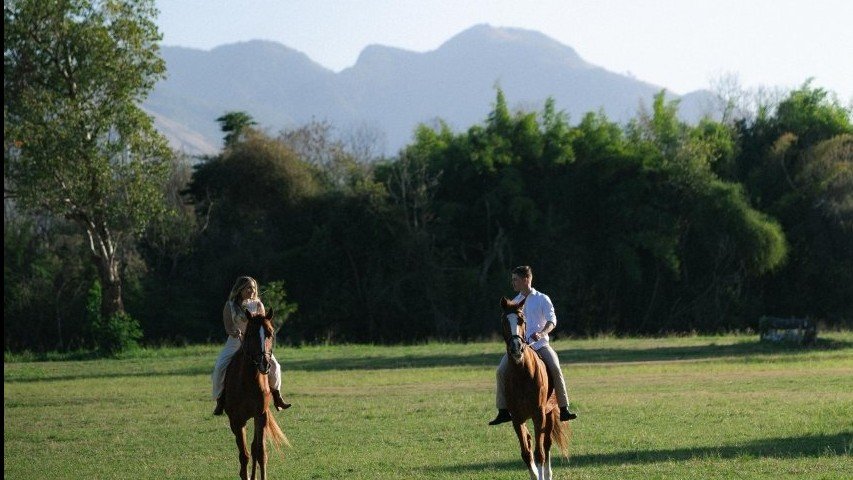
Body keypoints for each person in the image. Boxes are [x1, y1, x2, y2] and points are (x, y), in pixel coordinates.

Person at [489, 265, 577, 425]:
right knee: (500, 371)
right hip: (520, 349)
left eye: (515, 279)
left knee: (555, 368)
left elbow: (552, 321)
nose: (513, 283)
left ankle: (564, 408)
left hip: (541, 346)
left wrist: (542, 333)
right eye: (512, 280)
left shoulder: (542, 299)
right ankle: (503, 410)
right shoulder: (514, 302)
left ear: (526, 279)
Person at [212, 275, 291, 415]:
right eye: (248, 288)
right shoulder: (230, 306)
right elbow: (228, 327)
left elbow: (263, 324)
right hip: (235, 342)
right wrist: (234, 332)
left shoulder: (258, 304)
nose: (252, 290)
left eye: (254, 288)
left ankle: (277, 396)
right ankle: (220, 399)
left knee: (275, 365)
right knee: (220, 367)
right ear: (240, 289)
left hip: (255, 342)